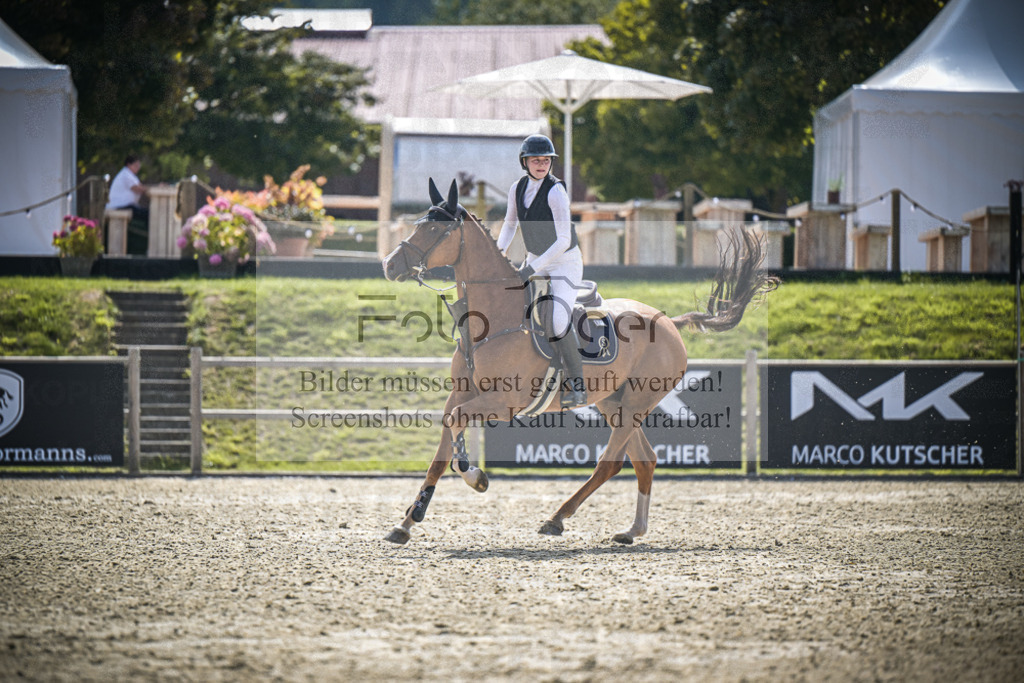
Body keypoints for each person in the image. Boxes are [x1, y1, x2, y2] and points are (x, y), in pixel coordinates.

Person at [496, 134, 587, 408]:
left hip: (564, 262)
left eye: (546, 160)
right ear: (524, 162)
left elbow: (563, 240)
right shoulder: (517, 188)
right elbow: (510, 224)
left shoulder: (556, 192)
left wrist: (531, 268)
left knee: (558, 320)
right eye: (536, 160)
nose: (541, 165)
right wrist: (498, 253)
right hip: (536, 258)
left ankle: (577, 385)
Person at [106, 155, 149, 254]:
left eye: (139, 166)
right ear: (129, 165)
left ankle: (145, 240)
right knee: (148, 214)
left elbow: (140, 187)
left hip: (125, 205)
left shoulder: (129, 175)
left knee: (145, 213)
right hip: (119, 206)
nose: (138, 168)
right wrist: (155, 187)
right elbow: (138, 189)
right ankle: (147, 240)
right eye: (136, 165)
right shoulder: (126, 174)